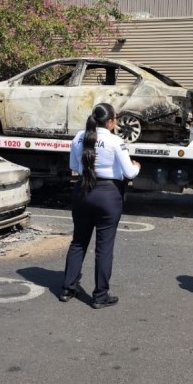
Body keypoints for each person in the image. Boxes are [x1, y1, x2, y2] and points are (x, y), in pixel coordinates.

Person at [60, 103, 141, 309]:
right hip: (107, 195)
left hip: (82, 191)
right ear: (110, 121)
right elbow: (129, 173)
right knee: (104, 247)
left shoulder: (79, 137)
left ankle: (68, 288)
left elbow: (73, 166)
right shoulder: (115, 140)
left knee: (78, 241)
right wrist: (136, 166)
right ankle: (100, 296)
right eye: (116, 118)